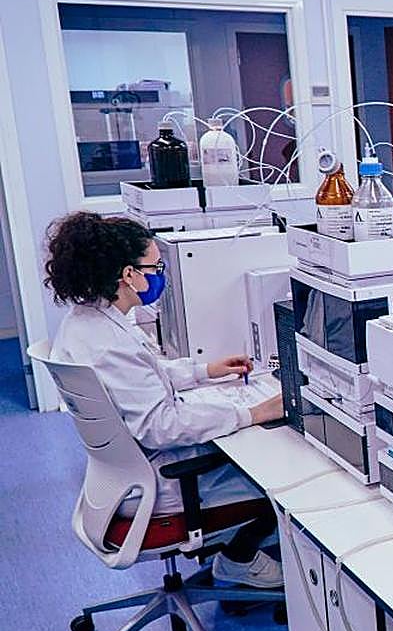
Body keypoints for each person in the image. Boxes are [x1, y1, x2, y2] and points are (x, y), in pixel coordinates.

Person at [45, 212, 285, 588]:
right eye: (155, 266)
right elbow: (162, 427)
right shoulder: (109, 343)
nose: (160, 275)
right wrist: (251, 412)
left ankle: (238, 555)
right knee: (281, 482)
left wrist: (205, 371)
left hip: (118, 480)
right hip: (159, 487)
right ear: (128, 275)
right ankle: (238, 559)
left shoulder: (87, 323)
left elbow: (141, 377)